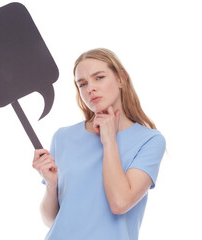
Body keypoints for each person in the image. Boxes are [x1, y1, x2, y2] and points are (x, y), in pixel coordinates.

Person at [32, 48, 166, 240]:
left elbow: (120, 203)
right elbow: (52, 220)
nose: (90, 88)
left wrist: (109, 140)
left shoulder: (149, 140)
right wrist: (51, 185)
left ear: (121, 78)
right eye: (82, 83)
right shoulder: (63, 137)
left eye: (99, 77)